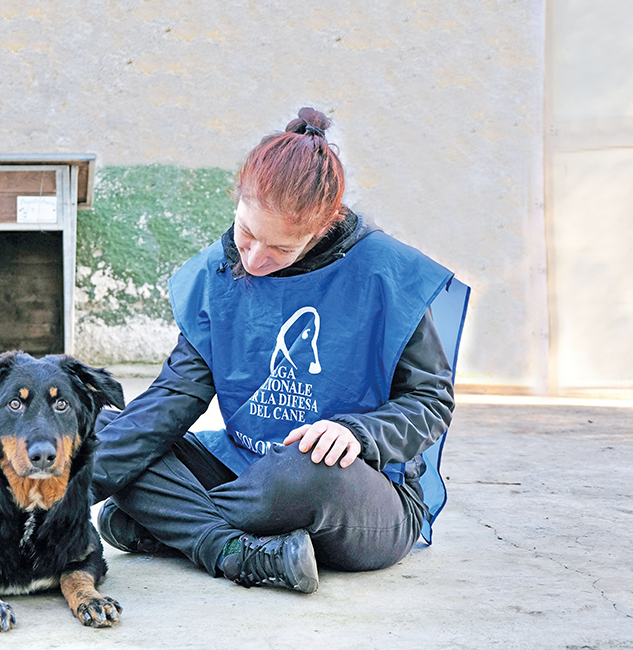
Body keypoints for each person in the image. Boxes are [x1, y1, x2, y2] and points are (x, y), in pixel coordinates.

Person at [90, 106, 456, 594]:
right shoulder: (216, 277)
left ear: (324, 224)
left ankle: (166, 523)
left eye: (281, 250)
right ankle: (232, 549)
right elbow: (169, 403)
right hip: (245, 466)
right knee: (99, 431)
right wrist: (58, 499)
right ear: (236, 201)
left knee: (303, 471)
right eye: (246, 234)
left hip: (352, 487)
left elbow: (431, 403)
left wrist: (357, 433)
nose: (256, 259)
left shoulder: (387, 275)